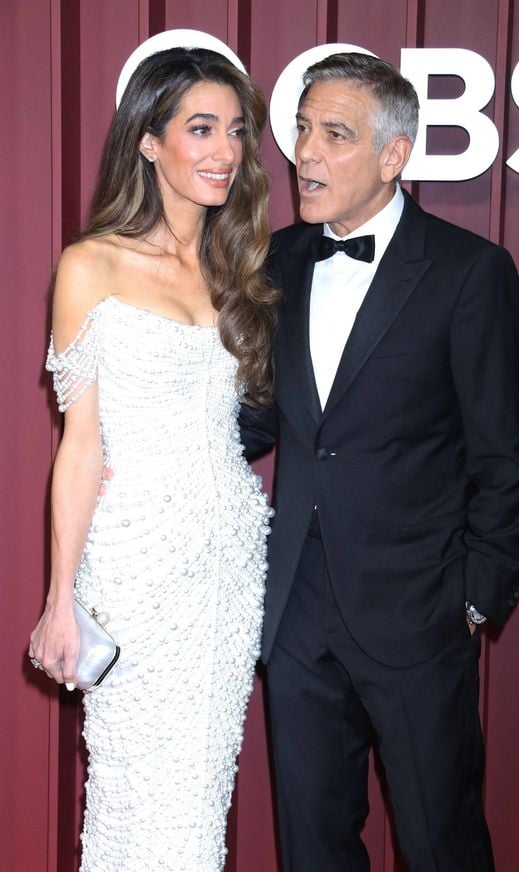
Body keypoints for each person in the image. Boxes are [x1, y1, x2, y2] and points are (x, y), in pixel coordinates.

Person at [241, 52, 519, 872]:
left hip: (419, 612)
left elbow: (507, 457)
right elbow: (263, 419)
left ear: (393, 155)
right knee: (313, 848)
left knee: (442, 843)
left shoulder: (470, 272)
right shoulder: (277, 262)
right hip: (298, 614)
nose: (305, 153)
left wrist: (475, 600)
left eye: (334, 135)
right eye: (302, 131)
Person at [28, 46, 276, 872]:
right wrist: (61, 599)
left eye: (236, 132)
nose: (224, 151)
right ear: (147, 140)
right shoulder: (90, 265)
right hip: (136, 568)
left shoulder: (237, 264)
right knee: (135, 787)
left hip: (227, 569)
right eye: (200, 129)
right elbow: (80, 446)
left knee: (199, 793)